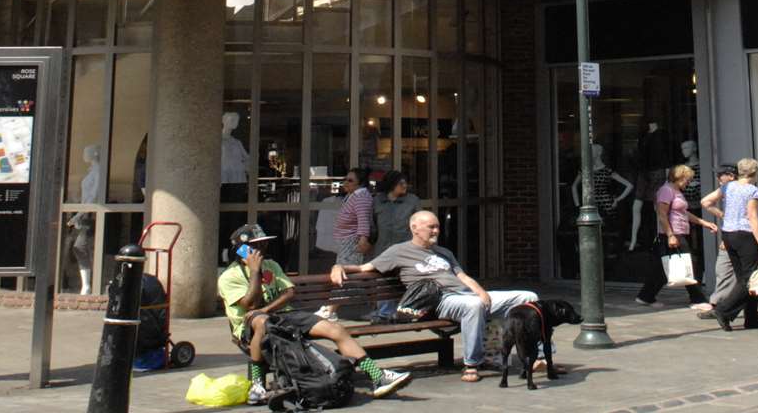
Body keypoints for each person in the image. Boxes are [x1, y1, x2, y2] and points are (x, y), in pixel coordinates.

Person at [333, 209, 543, 384]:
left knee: (528, 296)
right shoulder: (398, 251)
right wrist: (339, 266)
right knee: (474, 305)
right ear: (414, 228)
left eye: (437, 227)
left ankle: (538, 356)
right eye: (431, 227)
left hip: (466, 295)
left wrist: (480, 291)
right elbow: (365, 267)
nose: (436, 230)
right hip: (440, 301)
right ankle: (472, 364)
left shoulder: (443, 252)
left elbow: (462, 276)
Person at [218, 223, 411, 402]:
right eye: (256, 245)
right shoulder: (229, 277)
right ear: (241, 249)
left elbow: (289, 292)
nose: (262, 249)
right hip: (249, 325)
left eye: (264, 244)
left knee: (334, 329)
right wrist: (254, 272)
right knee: (261, 321)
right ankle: (257, 384)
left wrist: (267, 308)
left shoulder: (272, 266)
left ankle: (377, 376)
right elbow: (250, 305)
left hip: (283, 316)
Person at [705, 157, 758, 332]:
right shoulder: (753, 191)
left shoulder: (729, 186)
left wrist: (723, 216)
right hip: (746, 236)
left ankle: (752, 318)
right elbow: (753, 217)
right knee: (750, 279)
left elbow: (706, 202)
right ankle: (723, 310)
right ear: (754, 172)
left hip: (728, 235)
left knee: (743, 277)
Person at [636, 164, 714, 307]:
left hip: (678, 233)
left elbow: (683, 213)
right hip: (673, 234)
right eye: (687, 179)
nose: (689, 182)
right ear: (679, 177)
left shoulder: (676, 191)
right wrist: (671, 235)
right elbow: (662, 215)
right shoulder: (666, 190)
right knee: (688, 265)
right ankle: (698, 299)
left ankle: (645, 296)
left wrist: (704, 223)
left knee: (662, 268)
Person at [369, 171, 420, 321]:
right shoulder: (378, 200)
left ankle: (408, 311)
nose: (405, 186)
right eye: (401, 183)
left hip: (406, 246)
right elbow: (372, 223)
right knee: (383, 280)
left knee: (408, 279)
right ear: (391, 185)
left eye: (405, 183)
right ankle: (384, 312)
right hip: (383, 247)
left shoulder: (412, 200)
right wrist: (369, 240)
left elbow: (420, 221)